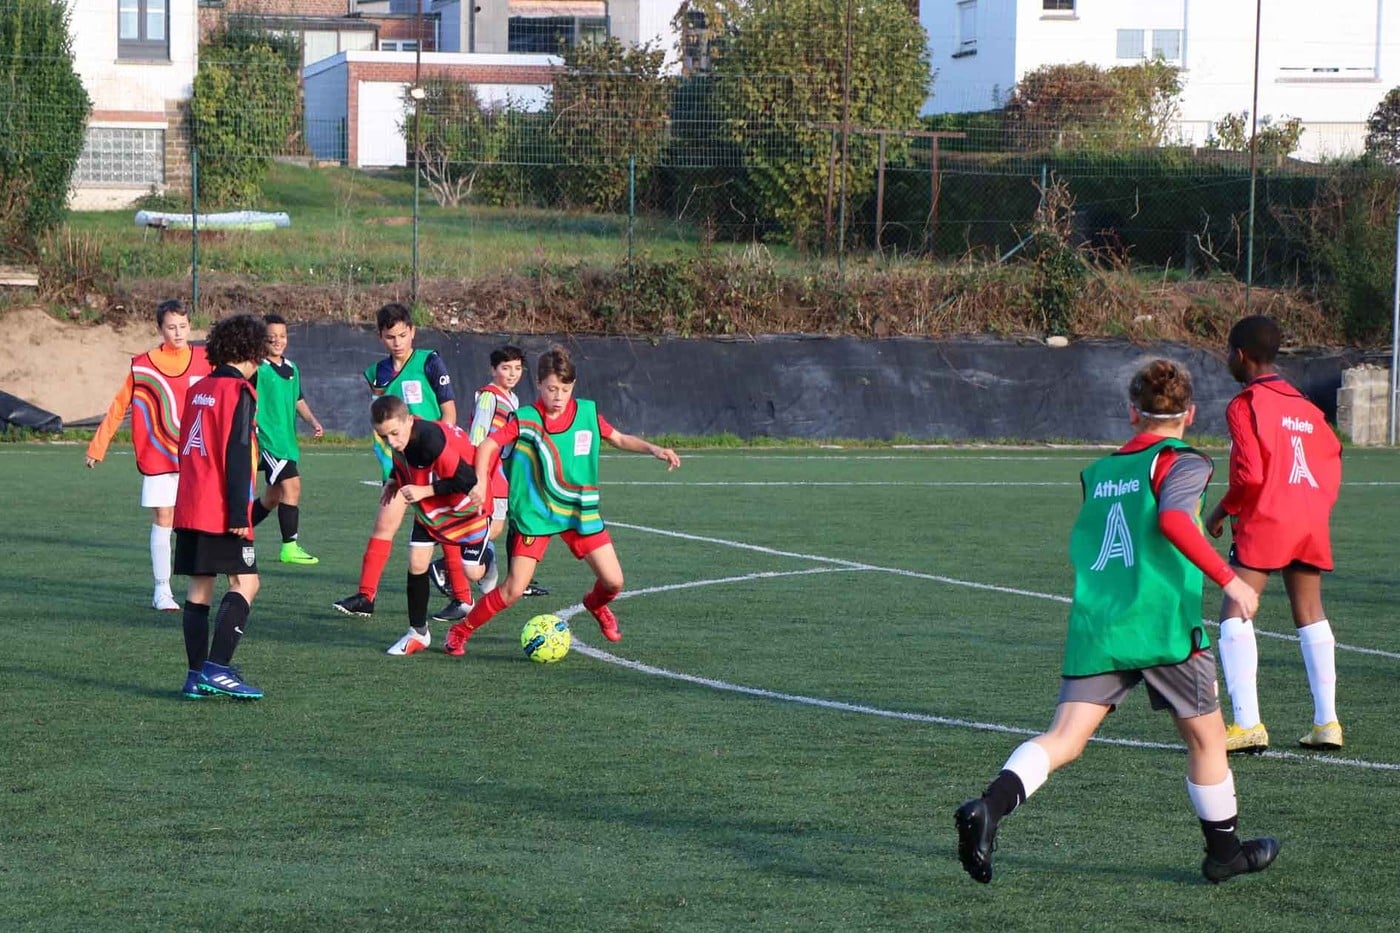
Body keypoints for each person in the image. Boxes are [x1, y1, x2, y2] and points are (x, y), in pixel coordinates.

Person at [954, 359, 1279, 886]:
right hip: (1161, 626)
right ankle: (1225, 854)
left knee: (1065, 737)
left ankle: (989, 807)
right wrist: (1231, 579)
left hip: (1099, 623)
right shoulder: (1181, 461)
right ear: (1190, 413)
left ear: (1132, 413)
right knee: (1206, 739)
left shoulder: (1099, 472)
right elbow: (1174, 519)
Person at [443, 346, 681, 657]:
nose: (558, 396)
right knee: (514, 589)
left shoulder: (586, 413)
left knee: (613, 582)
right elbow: (488, 445)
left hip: (578, 511)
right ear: (539, 384)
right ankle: (460, 631)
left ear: (573, 386)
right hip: (535, 513)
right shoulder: (525, 419)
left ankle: (595, 605)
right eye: (552, 389)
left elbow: (619, 438)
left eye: (565, 389)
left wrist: (654, 449)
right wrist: (482, 480)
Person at [1205, 315, 1344, 753]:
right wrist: (1314, 507)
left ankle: (1248, 724)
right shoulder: (1308, 408)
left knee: (1235, 611)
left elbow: (1249, 475)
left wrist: (1221, 510)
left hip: (1268, 517)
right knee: (1311, 611)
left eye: (1228, 352)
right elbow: (1334, 456)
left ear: (1240, 355)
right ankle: (1327, 723)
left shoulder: (1245, 404)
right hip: (1309, 517)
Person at [86, 298, 212, 611]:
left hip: (199, 456)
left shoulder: (206, 359)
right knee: (163, 518)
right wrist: (98, 446)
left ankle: (200, 588)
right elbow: (119, 406)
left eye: (183, 326)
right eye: (171, 327)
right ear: (160, 329)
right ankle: (162, 590)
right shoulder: (143, 365)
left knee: (199, 522)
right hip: (160, 453)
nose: (178, 332)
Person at [333, 303, 457, 617]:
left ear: (412, 332)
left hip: (433, 460)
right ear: (380, 337)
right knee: (384, 524)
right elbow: (379, 427)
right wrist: (390, 469)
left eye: (403, 335)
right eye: (390, 337)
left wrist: (438, 455)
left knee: (442, 528)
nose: (397, 342)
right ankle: (366, 597)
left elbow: (449, 415)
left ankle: (461, 598)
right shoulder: (377, 374)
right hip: (401, 465)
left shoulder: (430, 361)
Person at [171, 314, 267, 700]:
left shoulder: (199, 389)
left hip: (190, 503)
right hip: (220, 508)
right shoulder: (238, 391)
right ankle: (218, 668)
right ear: (252, 351)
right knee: (246, 582)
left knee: (200, 586)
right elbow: (238, 451)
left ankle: (195, 675)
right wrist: (239, 513)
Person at [370, 395, 490, 655]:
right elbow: (401, 461)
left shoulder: (430, 441)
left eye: (394, 433)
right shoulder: (401, 436)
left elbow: (467, 480)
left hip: (464, 505)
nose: (392, 442)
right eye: (384, 436)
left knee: (473, 572)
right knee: (416, 562)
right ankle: (418, 633)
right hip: (432, 509)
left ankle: (486, 555)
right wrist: (394, 479)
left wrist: (424, 491)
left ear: (409, 421)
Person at [429, 344, 550, 599]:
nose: (512, 373)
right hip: (488, 470)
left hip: (500, 470)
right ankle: (446, 566)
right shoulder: (489, 397)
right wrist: (477, 473)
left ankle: (485, 571)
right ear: (493, 370)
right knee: (490, 528)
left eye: (517, 368)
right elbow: (478, 436)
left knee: (494, 527)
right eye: (506, 368)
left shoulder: (512, 399)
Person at [250, 313, 324, 565]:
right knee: (292, 485)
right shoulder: (257, 368)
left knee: (272, 498)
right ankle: (289, 547)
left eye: (282, 336)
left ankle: (233, 530)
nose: (277, 341)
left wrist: (312, 421)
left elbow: (298, 400)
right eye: (271, 337)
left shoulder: (292, 368)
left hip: (287, 442)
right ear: (262, 339)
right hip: (268, 442)